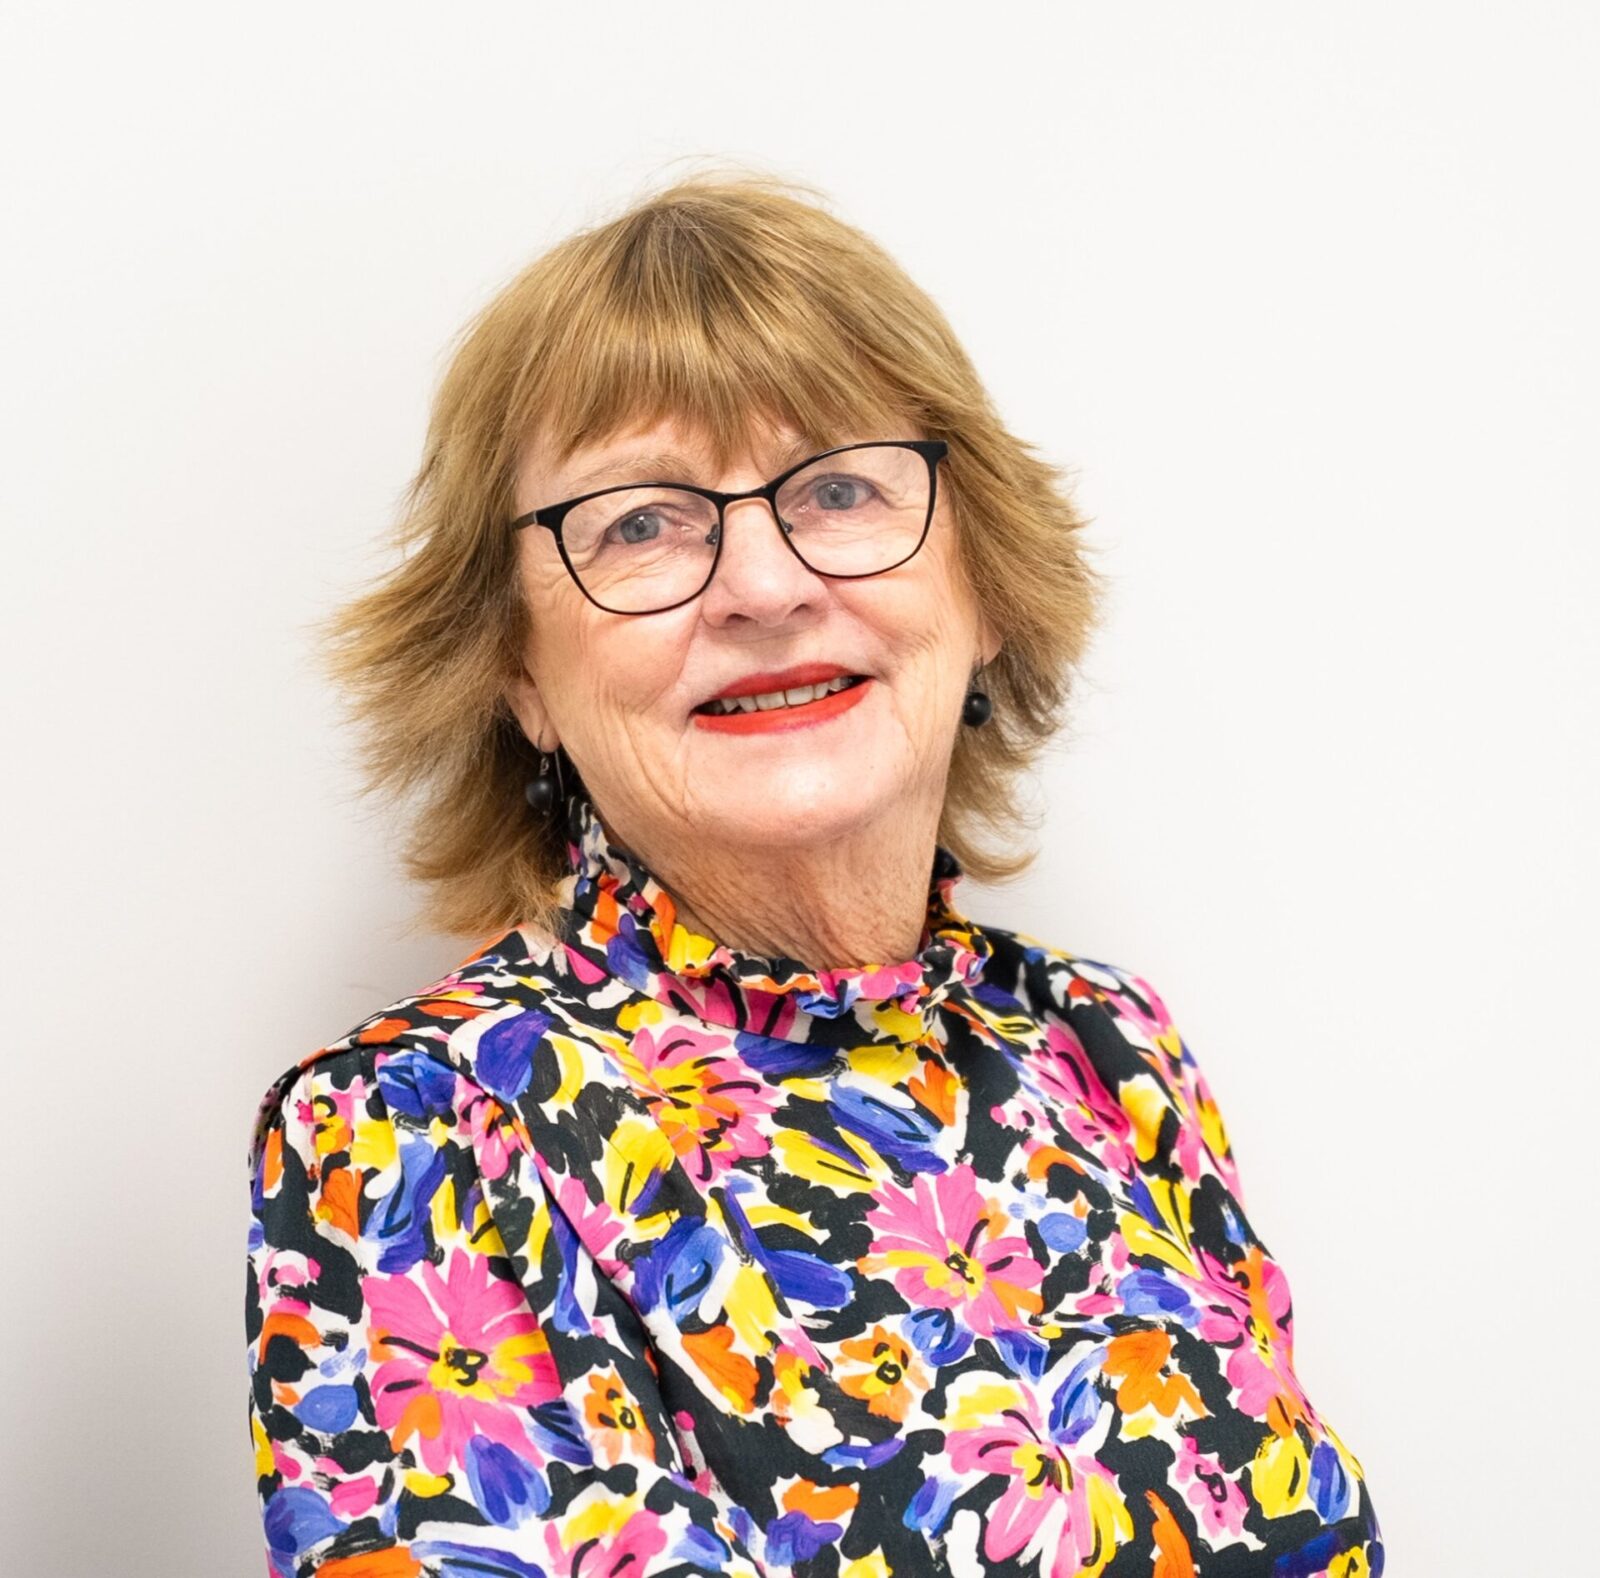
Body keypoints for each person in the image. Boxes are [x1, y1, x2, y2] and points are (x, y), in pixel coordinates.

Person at [245, 171, 1382, 1578]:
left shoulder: (1112, 1051)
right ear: (519, 668)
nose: (765, 585)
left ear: (980, 584)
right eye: (643, 522)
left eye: (837, 487)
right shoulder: (412, 1134)